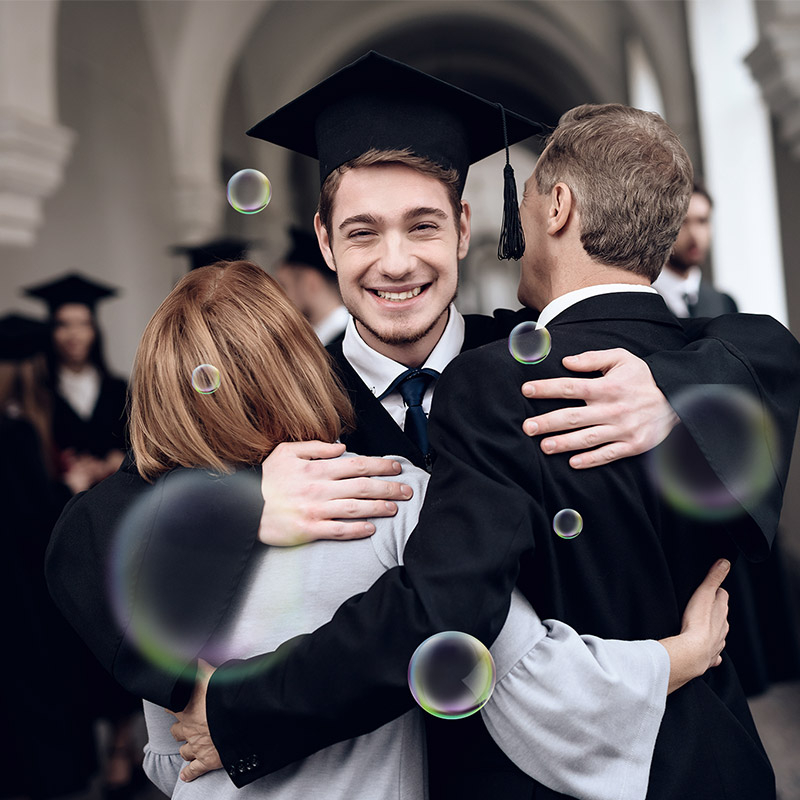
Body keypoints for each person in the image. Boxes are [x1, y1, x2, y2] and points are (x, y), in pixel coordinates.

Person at [46, 53, 798, 798]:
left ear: (466, 226)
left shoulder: (534, 363)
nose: (396, 263)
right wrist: (247, 505)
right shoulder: (282, 401)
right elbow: (89, 535)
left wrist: (668, 386)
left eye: (423, 225)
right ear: (325, 239)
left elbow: (755, 342)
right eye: (364, 232)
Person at [61, 260, 726, 800]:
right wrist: (681, 656)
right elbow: (530, 677)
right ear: (295, 360)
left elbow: (162, 756)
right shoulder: (393, 497)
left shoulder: (155, 567)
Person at [0, 313, 98, 799]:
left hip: (16, 579)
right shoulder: (13, 429)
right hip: (24, 581)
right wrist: (69, 487)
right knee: (41, 679)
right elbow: (30, 515)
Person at [24, 272, 127, 494]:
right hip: (64, 504)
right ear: (51, 332)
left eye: (83, 324)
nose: (74, 335)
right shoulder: (39, 393)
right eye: (63, 324)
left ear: (95, 330)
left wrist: (118, 459)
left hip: (115, 496)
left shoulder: (118, 389)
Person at [652, 181, 737, 317]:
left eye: (702, 221)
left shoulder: (723, 303)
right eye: (682, 222)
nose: (694, 234)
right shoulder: (643, 302)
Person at [274, 226, 349, 345]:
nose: (279, 296)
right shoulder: (320, 341)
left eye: (284, 286)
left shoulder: (348, 342)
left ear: (310, 282)